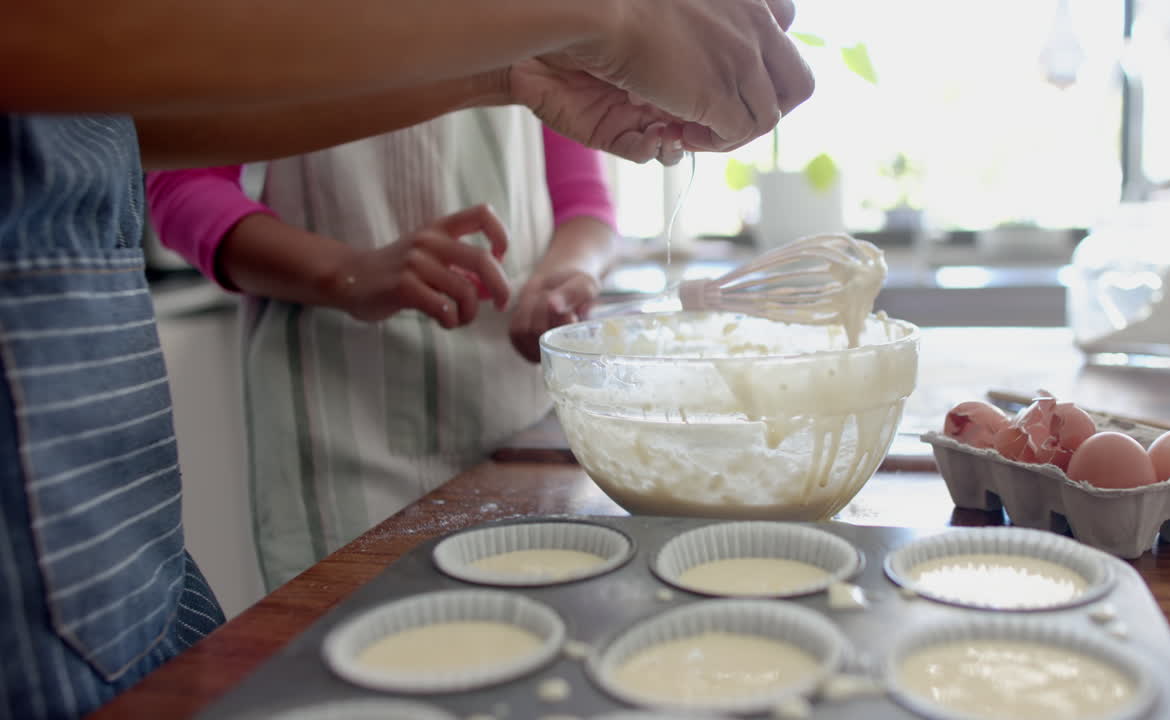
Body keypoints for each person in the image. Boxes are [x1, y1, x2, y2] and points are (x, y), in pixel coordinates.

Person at [1, 1, 812, 715]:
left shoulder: (525, 48)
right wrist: (341, 270)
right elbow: (163, 159)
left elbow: (124, 126)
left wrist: (526, 68)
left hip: (126, 522)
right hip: (332, 416)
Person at [146, 118, 617, 589]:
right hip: (336, 410)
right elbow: (183, 186)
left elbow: (584, 200)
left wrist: (565, 275)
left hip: (515, 409)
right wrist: (345, 272)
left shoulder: (535, 46)